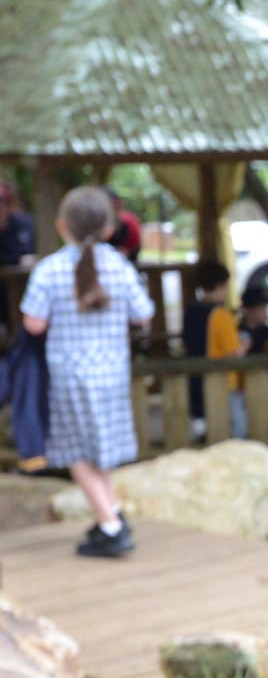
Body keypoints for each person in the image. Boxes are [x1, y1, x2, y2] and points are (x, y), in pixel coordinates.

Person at [19, 183, 156, 558]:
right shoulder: (119, 265)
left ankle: (111, 526)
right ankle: (109, 514)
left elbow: (33, 322)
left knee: (76, 453)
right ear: (109, 228)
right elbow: (144, 313)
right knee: (99, 450)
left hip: (69, 378)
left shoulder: (50, 269)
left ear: (62, 225)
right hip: (112, 375)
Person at [181, 257, 238, 364]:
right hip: (217, 378)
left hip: (194, 375)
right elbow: (232, 353)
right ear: (220, 285)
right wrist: (243, 348)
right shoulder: (221, 315)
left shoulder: (191, 312)